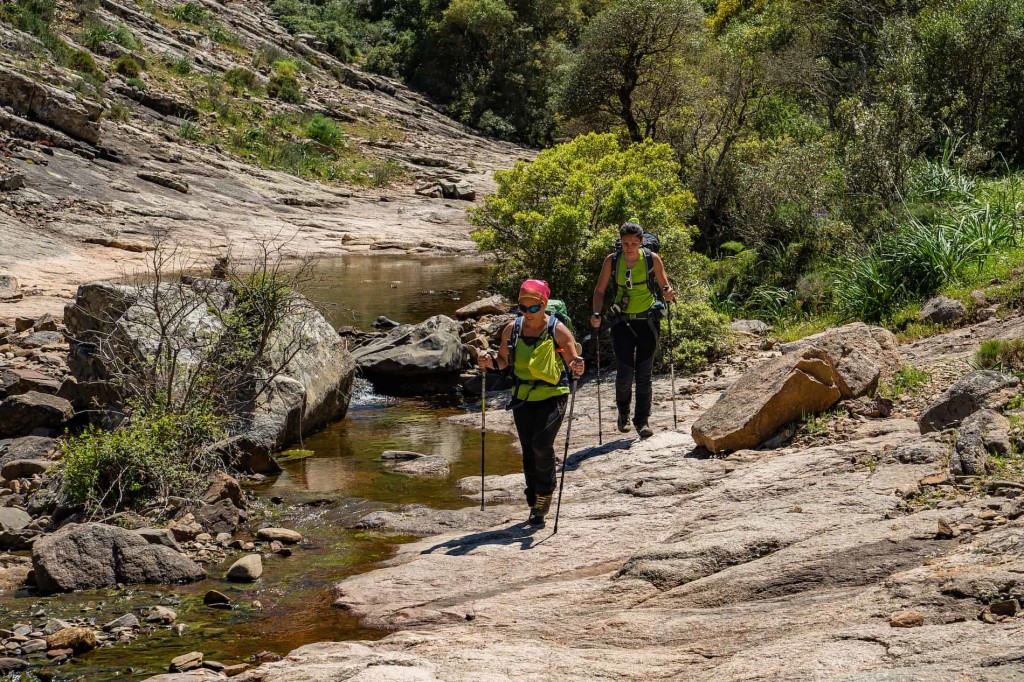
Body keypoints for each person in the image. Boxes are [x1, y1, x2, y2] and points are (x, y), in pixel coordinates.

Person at [477, 279, 585, 527]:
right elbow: (503, 361)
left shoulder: (557, 330)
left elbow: (572, 360)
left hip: (553, 394)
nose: (527, 313)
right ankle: (534, 498)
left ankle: (545, 494)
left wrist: (577, 364)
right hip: (522, 396)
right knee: (527, 449)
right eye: (522, 308)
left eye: (533, 308)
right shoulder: (512, 329)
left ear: (543, 304)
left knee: (541, 443)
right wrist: (489, 361)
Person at [590, 222, 675, 439]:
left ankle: (642, 421)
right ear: (620, 241)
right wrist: (597, 313)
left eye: (634, 243)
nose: (629, 247)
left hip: (647, 321)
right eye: (625, 243)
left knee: (644, 375)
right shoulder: (612, 260)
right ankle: (623, 415)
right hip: (622, 322)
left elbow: (663, 283)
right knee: (625, 373)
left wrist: (667, 292)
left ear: (641, 242)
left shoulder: (651, 259)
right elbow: (599, 290)